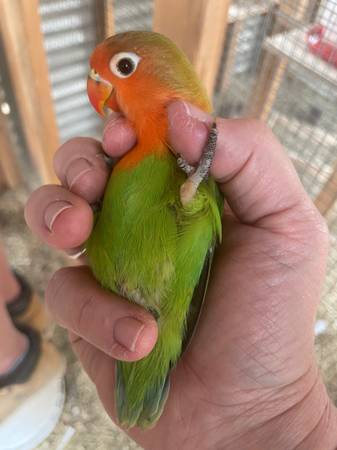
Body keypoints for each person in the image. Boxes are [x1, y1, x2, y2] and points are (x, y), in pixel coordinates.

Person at [25, 100, 337, 449]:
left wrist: (263, 418)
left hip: (170, 303)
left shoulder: (191, 151)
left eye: (123, 69)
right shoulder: (148, 148)